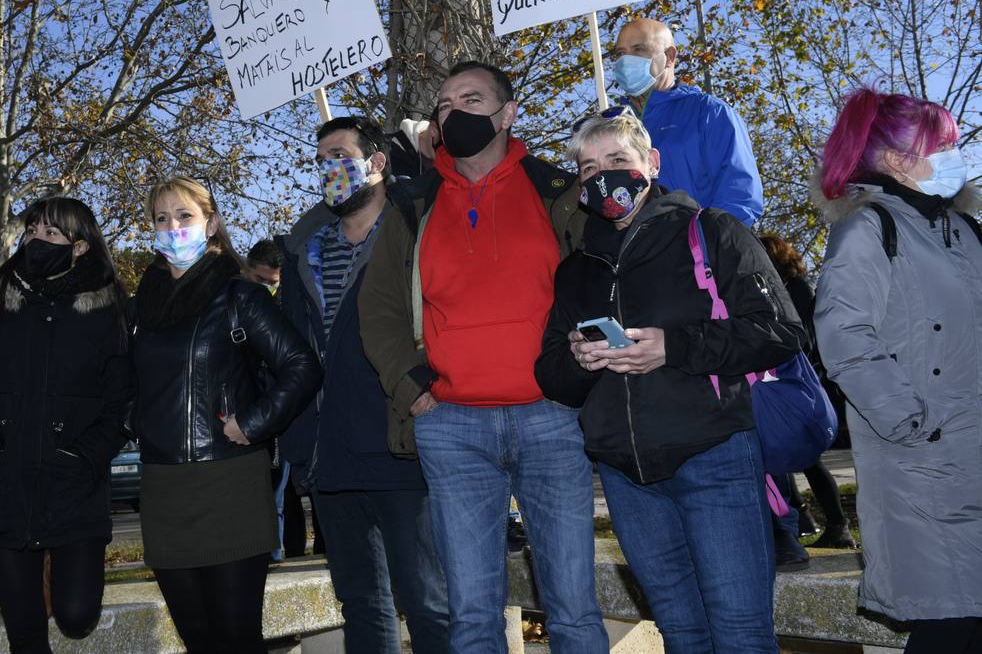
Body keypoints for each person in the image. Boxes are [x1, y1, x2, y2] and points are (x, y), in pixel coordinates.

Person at [360, 61, 606, 653]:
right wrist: (415, 390)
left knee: (573, 608)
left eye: (471, 98)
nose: (455, 111)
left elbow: (601, 291)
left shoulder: (559, 193)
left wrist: (583, 375)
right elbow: (379, 312)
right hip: (452, 427)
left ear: (507, 113)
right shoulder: (411, 206)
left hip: (552, 417)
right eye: (444, 104)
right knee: (471, 615)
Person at [536, 110, 804, 653]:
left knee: (741, 634)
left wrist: (675, 346)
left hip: (716, 457)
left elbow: (781, 330)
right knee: (682, 637)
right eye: (588, 168)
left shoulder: (714, 231)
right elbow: (552, 375)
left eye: (617, 160)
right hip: (628, 479)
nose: (602, 176)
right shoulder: (575, 269)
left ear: (651, 163)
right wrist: (580, 360)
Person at [813, 88, 982, 653]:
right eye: (942, 145)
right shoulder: (870, 229)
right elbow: (844, 337)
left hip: (973, 452)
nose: (956, 155)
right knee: (949, 624)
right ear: (894, 160)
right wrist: (913, 422)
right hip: (924, 463)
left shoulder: (965, 232)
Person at [277, 115, 449, 654]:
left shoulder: (416, 233)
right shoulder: (304, 250)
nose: (328, 169)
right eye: (320, 160)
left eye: (339, 155)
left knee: (426, 599)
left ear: (376, 163)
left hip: (402, 443)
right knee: (361, 603)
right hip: (329, 455)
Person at [131, 177, 322, 654]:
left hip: (230, 483)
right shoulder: (138, 306)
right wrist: (133, 419)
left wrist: (253, 422)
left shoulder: (238, 295)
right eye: (161, 218)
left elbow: (302, 366)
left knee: (236, 640)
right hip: (163, 487)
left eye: (184, 216)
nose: (172, 227)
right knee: (198, 641)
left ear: (211, 224)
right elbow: (117, 380)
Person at [0, 197, 133, 652]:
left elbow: (124, 400)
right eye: (31, 230)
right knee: (26, 638)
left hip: (74, 487)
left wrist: (85, 455)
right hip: (5, 487)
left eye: (51, 233)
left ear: (81, 246)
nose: (36, 240)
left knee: (76, 616)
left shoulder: (110, 309)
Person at [611, 18, 763, 226]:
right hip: (634, 255)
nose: (626, 60)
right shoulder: (612, 128)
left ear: (669, 56)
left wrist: (702, 249)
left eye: (638, 49)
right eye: (620, 53)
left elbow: (740, 197)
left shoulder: (709, 113)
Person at [758, 232, 855, 550]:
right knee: (777, 453)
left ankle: (837, 525)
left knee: (811, 459)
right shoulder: (779, 289)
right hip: (787, 377)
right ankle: (802, 517)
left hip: (802, 380)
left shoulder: (795, 289)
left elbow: (805, 338)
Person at [243, 237, 309, 559]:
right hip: (245, 412)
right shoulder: (234, 304)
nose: (266, 288)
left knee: (280, 495)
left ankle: (277, 555)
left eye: (272, 283)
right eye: (259, 280)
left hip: (275, 415)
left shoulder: (284, 310)